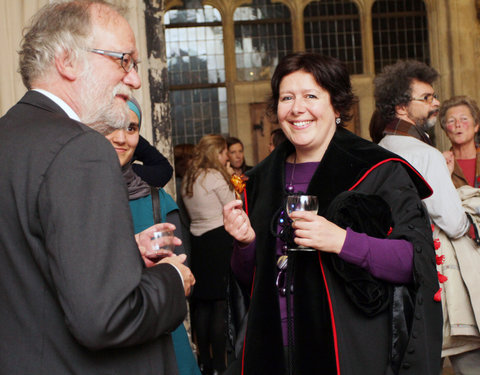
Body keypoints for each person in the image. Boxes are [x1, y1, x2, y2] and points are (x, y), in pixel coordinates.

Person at [0, 2, 194, 374]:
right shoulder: (83, 148)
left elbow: (26, 270)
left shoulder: (10, 137)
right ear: (67, 61)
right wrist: (171, 278)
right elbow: (107, 319)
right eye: (124, 61)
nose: (135, 80)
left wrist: (117, 256)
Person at [223, 52, 442, 375]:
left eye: (311, 96)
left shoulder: (379, 170)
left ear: (336, 106)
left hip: (350, 351)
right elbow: (248, 280)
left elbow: (413, 262)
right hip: (273, 350)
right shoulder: (259, 181)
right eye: (287, 97)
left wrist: (342, 241)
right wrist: (245, 244)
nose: (298, 108)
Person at [373, 61, 480, 374]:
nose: (435, 103)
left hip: (401, 279)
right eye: (428, 97)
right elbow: (454, 222)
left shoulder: (381, 147)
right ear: (403, 106)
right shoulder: (426, 154)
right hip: (438, 277)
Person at [103, 98, 201, 375]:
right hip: (103, 348)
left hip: (160, 341)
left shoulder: (157, 200)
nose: (121, 138)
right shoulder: (73, 198)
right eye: (111, 126)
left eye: (131, 129)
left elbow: (186, 281)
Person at [182, 134, 236, 375]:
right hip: (218, 240)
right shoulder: (214, 176)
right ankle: (220, 365)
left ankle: (204, 362)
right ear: (216, 153)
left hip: (198, 241)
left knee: (202, 304)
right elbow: (232, 204)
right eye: (224, 152)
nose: (227, 156)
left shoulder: (188, 178)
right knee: (219, 303)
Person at [439, 95, 480, 188]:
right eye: (451, 121)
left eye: (464, 119)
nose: (458, 124)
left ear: (476, 126)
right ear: (445, 131)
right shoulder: (441, 163)